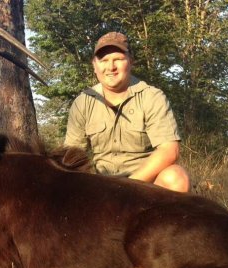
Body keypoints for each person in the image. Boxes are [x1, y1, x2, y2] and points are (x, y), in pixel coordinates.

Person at [65, 32, 190, 192]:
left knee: (176, 177)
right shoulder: (82, 102)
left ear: (131, 61)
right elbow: (72, 158)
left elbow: (169, 150)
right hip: (101, 189)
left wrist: (126, 188)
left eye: (118, 59)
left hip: (145, 187)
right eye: (104, 60)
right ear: (94, 65)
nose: (111, 67)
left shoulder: (152, 96)